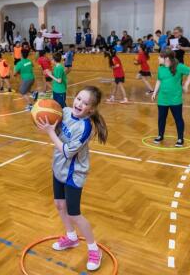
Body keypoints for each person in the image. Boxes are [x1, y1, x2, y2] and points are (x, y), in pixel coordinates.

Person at [36, 86, 108, 272]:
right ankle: (71, 237)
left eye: (85, 103)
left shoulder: (86, 128)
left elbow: (68, 152)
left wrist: (50, 132)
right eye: (78, 99)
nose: (79, 104)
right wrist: (43, 121)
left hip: (73, 174)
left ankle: (94, 249)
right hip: (58, 168)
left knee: (74, 213)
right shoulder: (65, 111)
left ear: (91, 109)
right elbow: (53, 127)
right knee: (60, 205)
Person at [152, 50, 190, 147]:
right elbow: (159, 80)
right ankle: (160, 135)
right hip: (162, 98)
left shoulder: (179, 67)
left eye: (160, 57)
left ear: (166, 58)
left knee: (178, 119)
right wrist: (154, 92)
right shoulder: (160, 68)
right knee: (161, 118)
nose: (158, 58)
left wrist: (186, 85)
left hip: (175, 99)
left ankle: (180, 138)